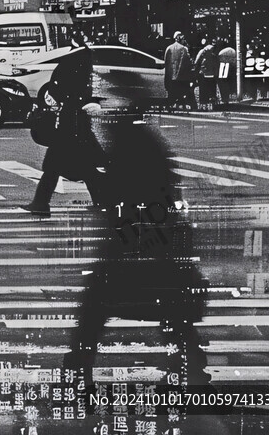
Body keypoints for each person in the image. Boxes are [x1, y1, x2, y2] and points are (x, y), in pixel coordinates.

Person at [64, 112, 209, 393]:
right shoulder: (145, 141)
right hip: (152, 247)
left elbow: (124, 195)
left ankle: (77, 375)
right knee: (173, 314)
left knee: (94, 313)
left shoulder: (131, 144)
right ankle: (193, 372)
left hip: (135, 246)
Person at [23, 31, 105, 216]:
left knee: (55, 166)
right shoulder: (87, 60)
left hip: (68, 121)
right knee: (84, 167)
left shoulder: (70, 61)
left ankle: (41, 203)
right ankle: (101, 201)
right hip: (78, 121)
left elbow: (56, 89)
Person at [164, 32, 195, 109]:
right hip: (182, 77)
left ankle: (171, 105)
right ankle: (184, 105)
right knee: (183, 93)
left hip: (171, 76)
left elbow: (166, 62)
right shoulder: (184, 49)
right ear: (179, 38)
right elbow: (188, 62)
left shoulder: (168, 48)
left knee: (172, 94)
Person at [193, 37, 218, 110]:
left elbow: (196, 62)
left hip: (203, 73)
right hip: (212, 74)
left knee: (203, 89)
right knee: (212, 89)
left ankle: (203, 105)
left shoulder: (202, 52)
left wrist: (195, 70)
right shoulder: (214, 53)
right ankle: (212, 104)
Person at [216, 37, 236, 108]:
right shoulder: (230, 48)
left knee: (223, 82)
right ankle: (225, 98)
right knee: (225, 81)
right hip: (226, 63)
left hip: (223, 64)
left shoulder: (221, 49)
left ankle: (224, 98)